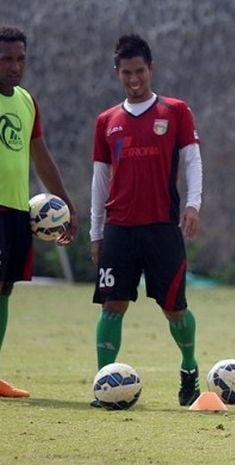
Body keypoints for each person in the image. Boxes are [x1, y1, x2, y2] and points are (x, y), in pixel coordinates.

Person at [90, 34, 203, 407]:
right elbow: (100, 178)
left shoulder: (176, 111)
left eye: (140, 71)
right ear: (117, 73)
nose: (134, 79)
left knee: (175, 310)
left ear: (151, 69)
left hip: (161, 227)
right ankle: (104, 386)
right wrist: (96, 232)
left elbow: (191, 159)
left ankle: (189, 370)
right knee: (112, 306)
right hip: (119, 228)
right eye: (127, 73)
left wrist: (193, 204)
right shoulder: (106, 120)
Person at [0, 26, 78, 398]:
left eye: (20, 59)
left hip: (17, 210)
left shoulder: (27, 102)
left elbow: (40, 155)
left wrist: (64, 202)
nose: (15, 67)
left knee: (5, 289)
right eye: (6, 59)